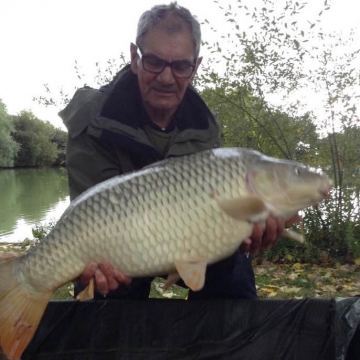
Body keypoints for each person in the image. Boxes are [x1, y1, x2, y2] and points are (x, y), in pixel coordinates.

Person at [59, 2, 297, 300]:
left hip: (185, 239)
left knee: (234, 269)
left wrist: (242, 234)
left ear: (195, 67)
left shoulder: (203, 127)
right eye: (155, 62)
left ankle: (219, 345)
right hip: (117, 245)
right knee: (106, 294)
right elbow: (89, 210)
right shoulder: (93, 117)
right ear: (136, 58)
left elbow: (213, 215)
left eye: (181, 66)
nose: (166, 78)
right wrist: (87, 262)